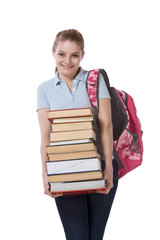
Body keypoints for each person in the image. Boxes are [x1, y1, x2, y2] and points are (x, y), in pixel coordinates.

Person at [37, 29, 118, 240]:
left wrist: (108, 166)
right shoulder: (44, 89)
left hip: (100, 166)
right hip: (63, 170)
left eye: (74, 55)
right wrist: (45, 173)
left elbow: (106, 125)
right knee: (76, 237)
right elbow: (46, 135)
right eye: (62, 54)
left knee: (95, 236)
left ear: (82, 55)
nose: (67, 61)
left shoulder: (94, 79)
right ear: (53, 52)